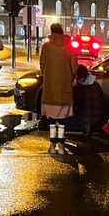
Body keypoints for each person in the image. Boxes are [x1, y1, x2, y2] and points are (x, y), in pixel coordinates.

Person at [40, 23, 77, 155]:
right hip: (64, 87)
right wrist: (72, 78)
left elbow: (42, 65)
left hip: (50, 87)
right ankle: (61, 146)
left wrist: (47, 76)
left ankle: (52, 145)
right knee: (62, 119)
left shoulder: (46, 47)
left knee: (51, 118)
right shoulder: (69, 47)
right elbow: (74, 66)